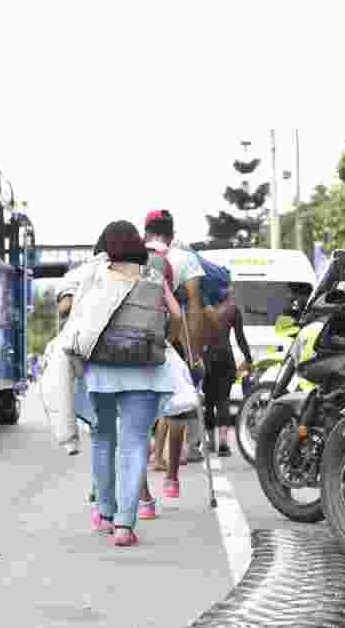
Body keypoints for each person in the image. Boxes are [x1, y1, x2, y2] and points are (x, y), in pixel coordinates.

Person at [57, 220, 182, 546]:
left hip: (100, 370)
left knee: (102, 439)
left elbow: (69, 309)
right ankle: (125, 526)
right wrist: (165, 341)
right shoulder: (153, 277)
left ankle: (104, 513)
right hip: (145, 369)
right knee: (135, 443)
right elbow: (177, 316)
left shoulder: (96, 276)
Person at [141, 210, 209, 499]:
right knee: (179, 408)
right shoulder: (186, 259)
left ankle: (143, 494)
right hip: (173, 341)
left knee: (138, 412)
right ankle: (171, 478)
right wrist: (194, 353)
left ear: (145, 231)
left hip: (136, 343)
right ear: (172, 234)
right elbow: (193, 307)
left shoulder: (133, 256)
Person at [202, 306, 252, 456]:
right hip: (226, 357)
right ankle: (223, 443)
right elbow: (240, 337)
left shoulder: (203, 306)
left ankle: (211, 443)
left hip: (207, 357)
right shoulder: (232, 309)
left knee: (209, 402)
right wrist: (248, 358)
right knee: (223, 400)